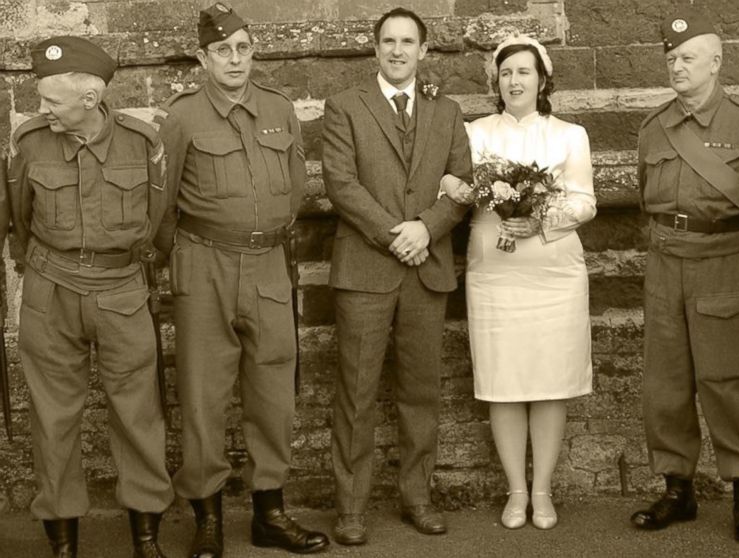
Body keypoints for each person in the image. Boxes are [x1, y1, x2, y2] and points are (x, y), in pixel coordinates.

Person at [155, 3, 328, 556]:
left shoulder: (279, 108)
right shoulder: (182, 116)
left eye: (244, 49)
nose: (235, 59)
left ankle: (269, 512)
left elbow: (296, 185)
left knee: (274, 392)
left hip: (269, 264)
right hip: (203, 264)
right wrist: (175, 262)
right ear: (203, 58)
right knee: (203, 394)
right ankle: (207, 519)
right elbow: (162, 205)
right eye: (223, 51)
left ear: (253, 53)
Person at [7, 36, 173, 557]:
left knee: (138, 415)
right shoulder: (29, 142)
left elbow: (161, 222)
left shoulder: (143, 143)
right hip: (49, 292)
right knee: (53, 418)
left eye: (52, 100)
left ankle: (146, 538)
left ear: (90, 98)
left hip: (122, 291)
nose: (42, 109)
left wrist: (138, 273)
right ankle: (63, 542)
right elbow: (16, 215)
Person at [320, 7, 472, 546]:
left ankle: (418, 498)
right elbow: (341, 185)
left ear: (424, 51)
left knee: (420, 392)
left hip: (425, 268)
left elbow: (462, 185)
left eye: (409, 42)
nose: (399, 50)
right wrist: (395, 234)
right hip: (366, 267)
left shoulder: (448, 112)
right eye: (389, 41)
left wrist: (425, 229)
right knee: (356, 393)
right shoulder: (344, 106)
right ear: (375, 48)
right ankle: (352, 507)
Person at [628, 10, 739, 543]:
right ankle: (678, 487)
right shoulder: (653, 127)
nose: (677, 66)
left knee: (732, 380)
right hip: (666, 263)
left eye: (688, 57)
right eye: (671, 59)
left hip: (725, 263)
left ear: (716, 62)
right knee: (665, 383)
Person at [440, 35, 597, 530]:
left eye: (524, 72)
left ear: (542, 79)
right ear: (495, 80)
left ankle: (544, 491)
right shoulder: (475, 132)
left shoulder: (570, 135)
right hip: (495, 272)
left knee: (550, 382)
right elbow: (452, 184)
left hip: (553, 271)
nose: (515, 81)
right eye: (506, 73)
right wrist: (465, 188)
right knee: (504, 381)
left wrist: (543, 217)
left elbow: (586, 201)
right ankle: (515, 490)